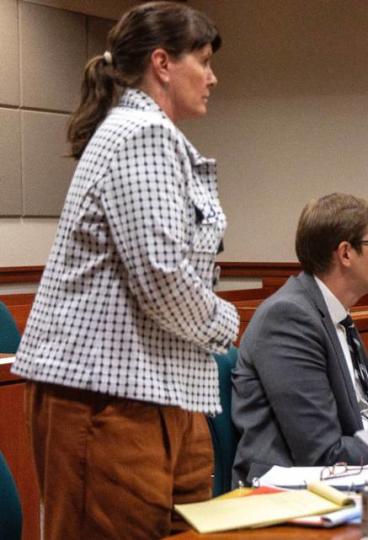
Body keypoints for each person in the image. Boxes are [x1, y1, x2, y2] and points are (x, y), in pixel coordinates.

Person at [12, 3, 235, 538]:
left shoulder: (151, 135)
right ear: (162, 62)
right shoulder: (141, 134)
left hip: (158, 394)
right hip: (110, 402)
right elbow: (162, 274)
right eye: (201, 61)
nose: (212, 77)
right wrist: (226, 324)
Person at [232, 194, 368, 485]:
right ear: (345, 253)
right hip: (287, 494)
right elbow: (321, 453)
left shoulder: (333, 314)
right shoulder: (288, 316)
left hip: (348, 478)